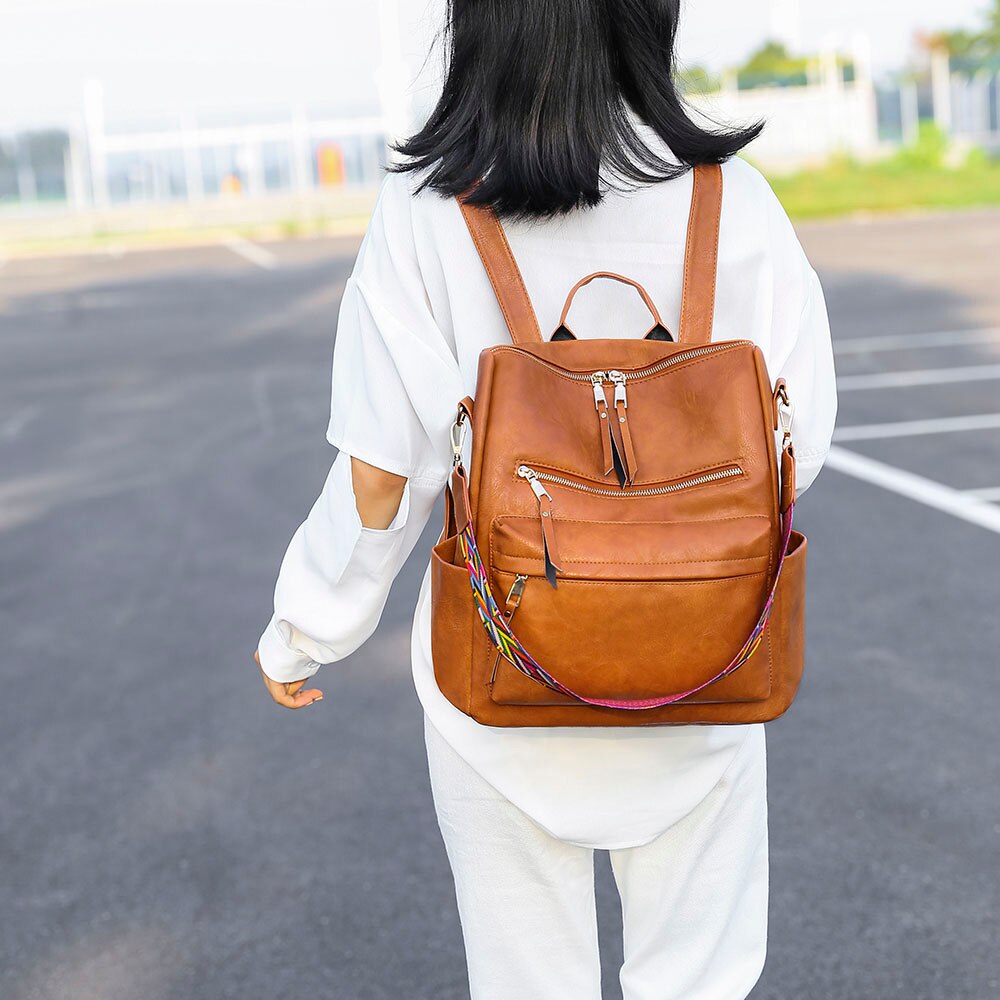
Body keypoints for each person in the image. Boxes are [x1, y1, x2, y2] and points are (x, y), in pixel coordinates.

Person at [254, 1, 838, 997]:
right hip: (704, 664)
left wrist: (305, 628)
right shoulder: (733, 201)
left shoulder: (425, 211)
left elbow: (380, 477)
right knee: (700, 976)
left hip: (503, 672)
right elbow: (801, 445)